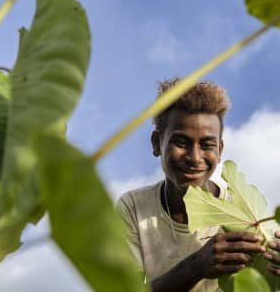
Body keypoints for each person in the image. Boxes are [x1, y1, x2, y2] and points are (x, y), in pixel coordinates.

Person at [116, 78, 280, 292]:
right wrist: (195, 266)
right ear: (157, 143)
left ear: (220, 150)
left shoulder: (244, 211)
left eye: (207, 145)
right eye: (181, 143)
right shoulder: (133, 207)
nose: (195, 157)